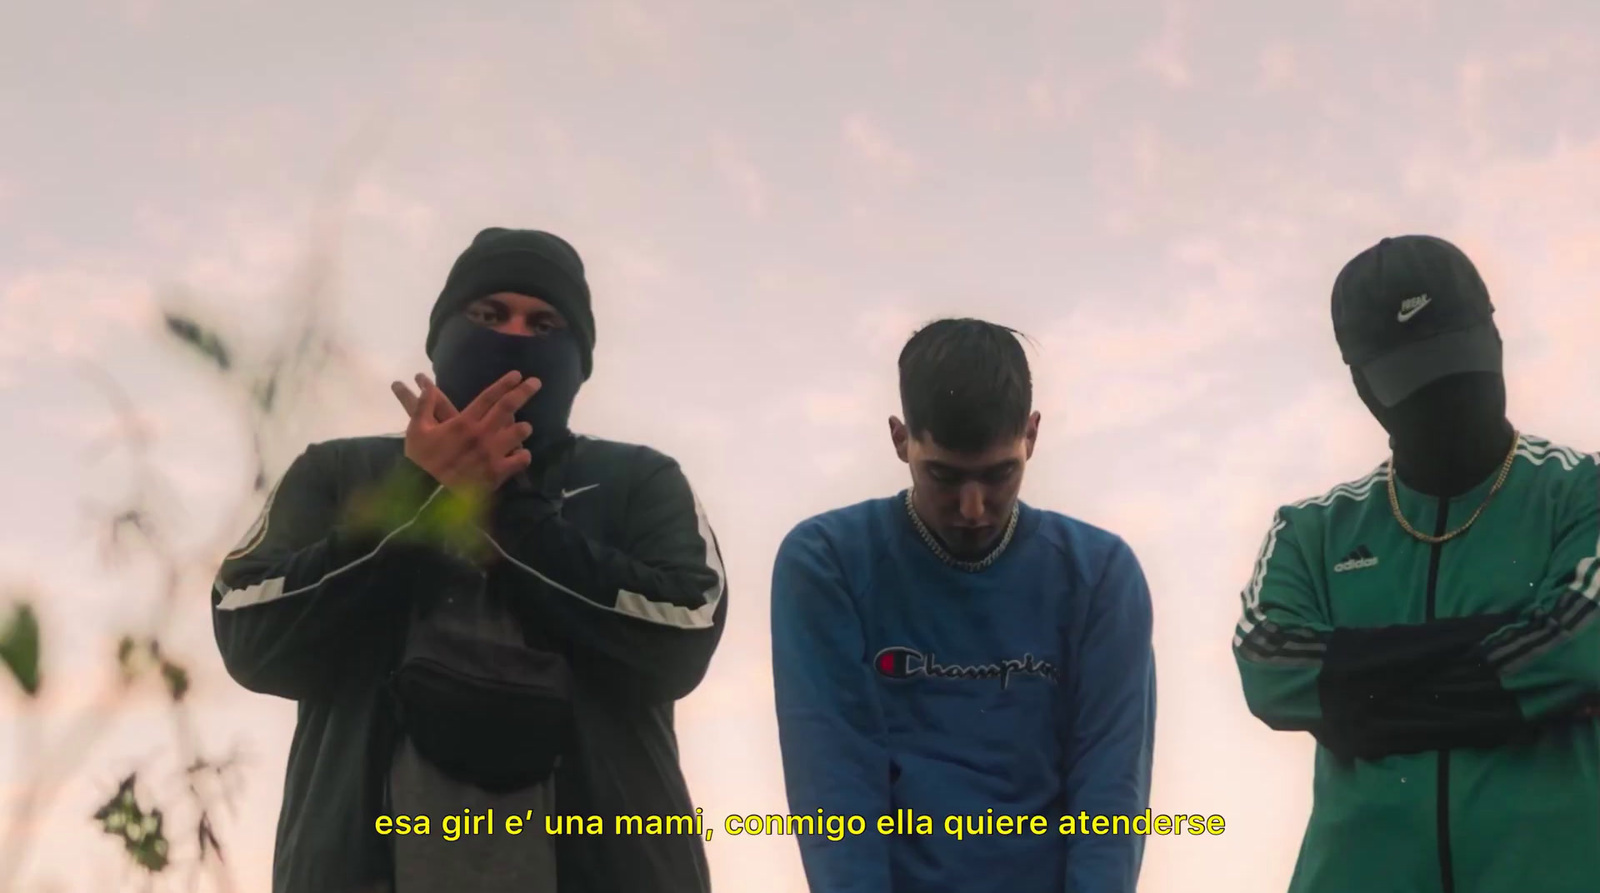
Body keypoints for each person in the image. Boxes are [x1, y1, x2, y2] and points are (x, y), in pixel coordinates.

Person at [211, 227, 729, 893]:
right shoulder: (339, 471)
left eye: (543, 321)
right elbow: (248, 629)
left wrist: (505, 511)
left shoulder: (636, 478)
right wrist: (421, 508)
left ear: (579, 354)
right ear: (442, 334)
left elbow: (682, 635)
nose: (514, 334)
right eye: (488, 314)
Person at [1232, 234, 1600, 892]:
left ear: (1495, 340)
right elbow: (1270, 671)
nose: (1449, 398)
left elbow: (1578, 651)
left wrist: (1353, 697)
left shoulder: (1583, 492)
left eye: (1460, 365)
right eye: (1418, 379)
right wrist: (1518, 660)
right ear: (1363, 386)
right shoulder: (1311, 530)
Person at [770, 317, 1157, 893]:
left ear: (1031, 435)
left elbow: (1110, 790)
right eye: (944, 476)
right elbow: (834, 783)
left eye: (1000, 474)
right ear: (901, 439)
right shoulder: (827, 562)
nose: (973, 507)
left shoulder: (1099, 574)